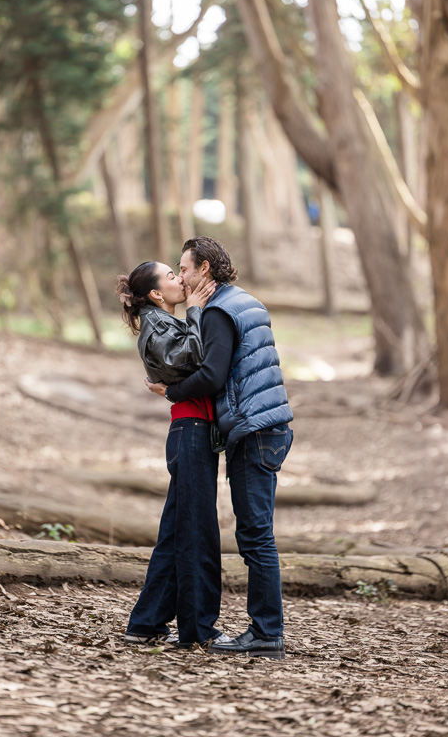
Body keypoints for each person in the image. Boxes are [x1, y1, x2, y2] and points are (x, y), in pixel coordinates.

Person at [145, 237, 293, 660]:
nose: (182, 276)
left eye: (185, 268)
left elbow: (210, 376)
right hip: (267, 425)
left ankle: (266, 632)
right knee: (255, 534)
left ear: (205, 269)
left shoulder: (219, 311)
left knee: (255, 536)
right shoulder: (243, 300)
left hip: (254, 429)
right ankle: (265, 630)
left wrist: (170, 390)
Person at [115, 260, 230, 648]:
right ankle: (199, 629)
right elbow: (193, 359)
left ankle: (146, 622)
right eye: (171, 275)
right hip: (190, 433)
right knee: (198, 533)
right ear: (156, 295)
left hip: (194, 432)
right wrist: (197, 310)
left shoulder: (163, 321)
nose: (181, 279)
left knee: (178, 531)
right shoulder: (157, 324)